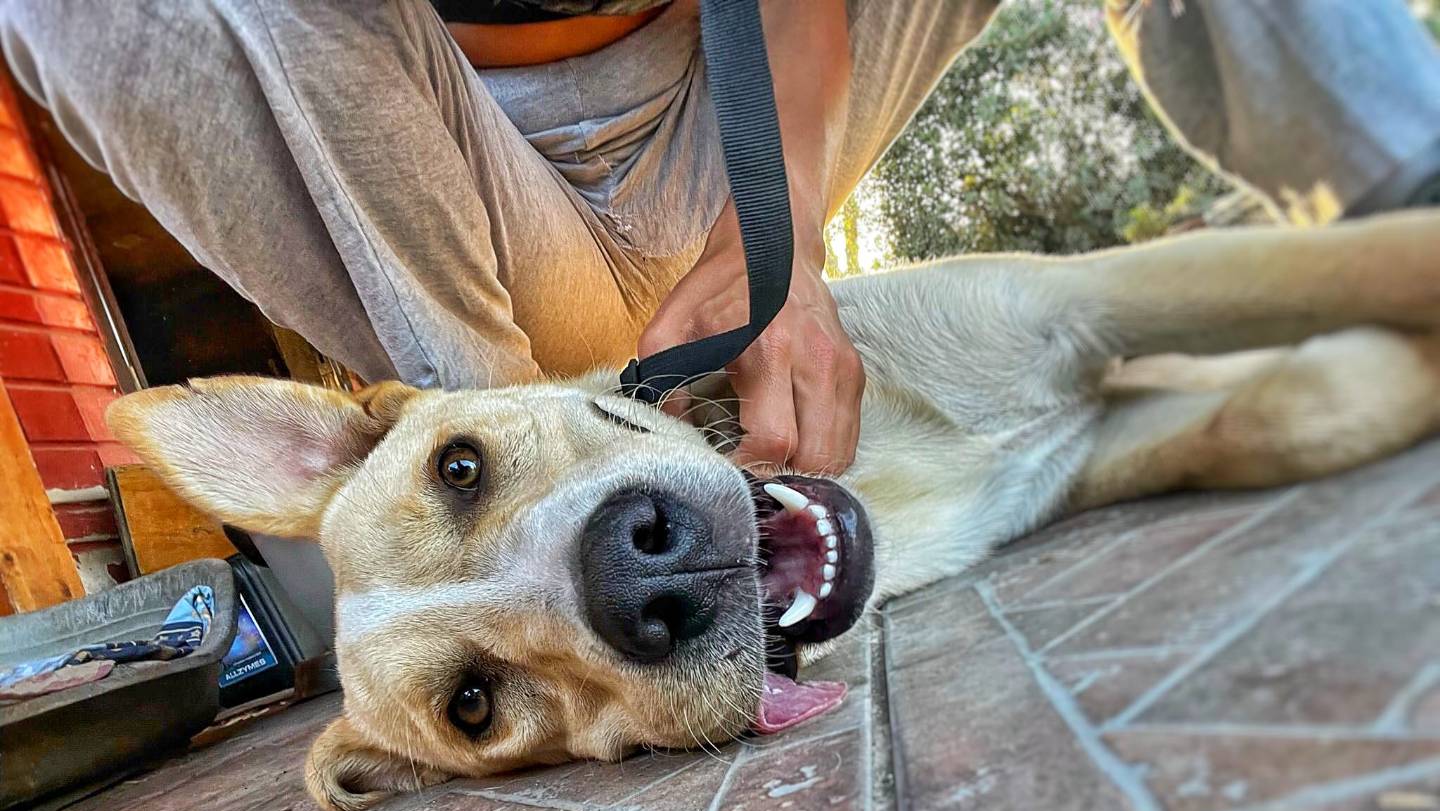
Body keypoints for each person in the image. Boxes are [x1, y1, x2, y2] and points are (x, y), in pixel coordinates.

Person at [2, 0, 1437, 483]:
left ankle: (1406, 192)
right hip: (456, 194)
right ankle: (511, 472)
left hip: (724, 107)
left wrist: (781, 226)